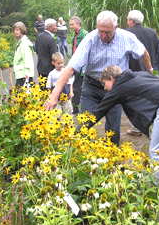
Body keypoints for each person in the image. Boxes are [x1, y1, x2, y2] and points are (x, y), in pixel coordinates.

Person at [78, 66, 159, 199]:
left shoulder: (119, 87)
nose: (104, 88)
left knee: (157, 151)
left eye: (104, 83)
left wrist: (79, 130)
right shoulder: (139, 74)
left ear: (111, 79)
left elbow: (99, 111)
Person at [44, 10, 152, 145]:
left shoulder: (127, 37)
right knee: (84, 125)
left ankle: (113, 159)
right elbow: (70, 68)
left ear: (116, 27)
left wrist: (151, 73)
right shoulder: (90, 39)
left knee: (113, 129)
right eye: (101, 31)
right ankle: (84, 157)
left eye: (108, 32)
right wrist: (54, 94)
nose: (103, 35)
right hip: (92, 86)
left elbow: (144, 53)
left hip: (115, 89)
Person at [125, 9, 159, 136]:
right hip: (149, 71)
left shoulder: (126, 34)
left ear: (132, 21)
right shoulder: (152, 33)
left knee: (132, 100)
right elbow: (157, 49)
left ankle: (135, 128)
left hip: (132, 71)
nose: (127, 22)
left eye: (128, 19)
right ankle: (150, 127)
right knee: (148, 100)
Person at [69, 16, 88, 114]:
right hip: (76, 65)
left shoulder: (84, 35)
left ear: (78, 24)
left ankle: (79, 109)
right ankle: (75, 108)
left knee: (80, 87)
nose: (71, 26)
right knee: (76, 87)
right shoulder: (74, 36)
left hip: (82, 67)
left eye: (72, 24)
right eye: (70, 25)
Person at [35, 18, 58, 87]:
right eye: (55, 26)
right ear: (49, 27)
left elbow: (37, 50)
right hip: (50, 69)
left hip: (40, 67)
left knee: (42, 90)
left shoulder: (38, 36)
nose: (56, 27)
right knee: (49, 91)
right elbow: (54, 56)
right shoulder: (51, 39)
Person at [12, 22, 34, 87]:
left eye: (17, 30)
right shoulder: (21, 42)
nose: (15, 32)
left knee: (22, 94)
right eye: (14, 30)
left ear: (22, 30)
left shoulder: (25, 43)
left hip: (24, 75)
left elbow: (27, 58)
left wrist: (27, 73)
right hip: (20, 73)